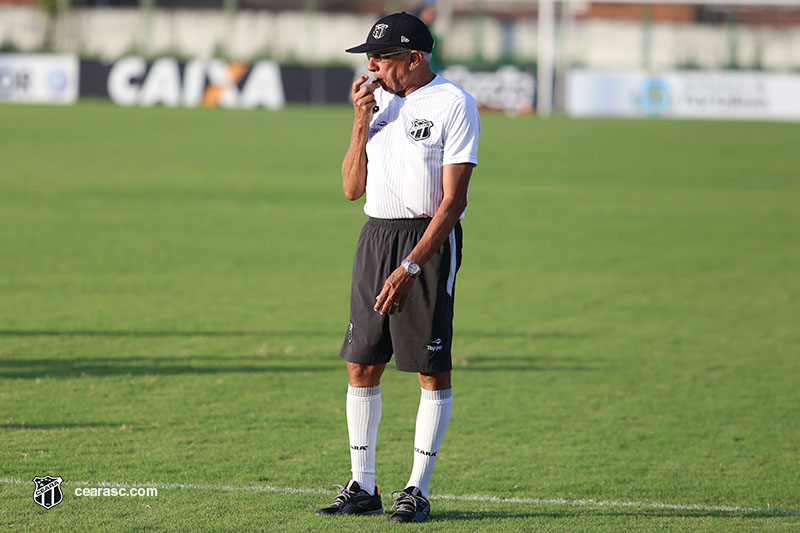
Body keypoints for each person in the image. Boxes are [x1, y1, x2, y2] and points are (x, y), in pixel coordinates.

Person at [314, 11, 480, 524]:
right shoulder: (378, 103)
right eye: (369, 56)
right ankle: (363, 485)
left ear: (413, 59)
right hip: (376, 236)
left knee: (429, 368)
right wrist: (360, 122)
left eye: (380, 57)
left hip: (427, 242)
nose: (371, 66)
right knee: (361, 363)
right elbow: (350, 189)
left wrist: (411, 267)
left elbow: (453, 202)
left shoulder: (454, 103)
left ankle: (417, 489)